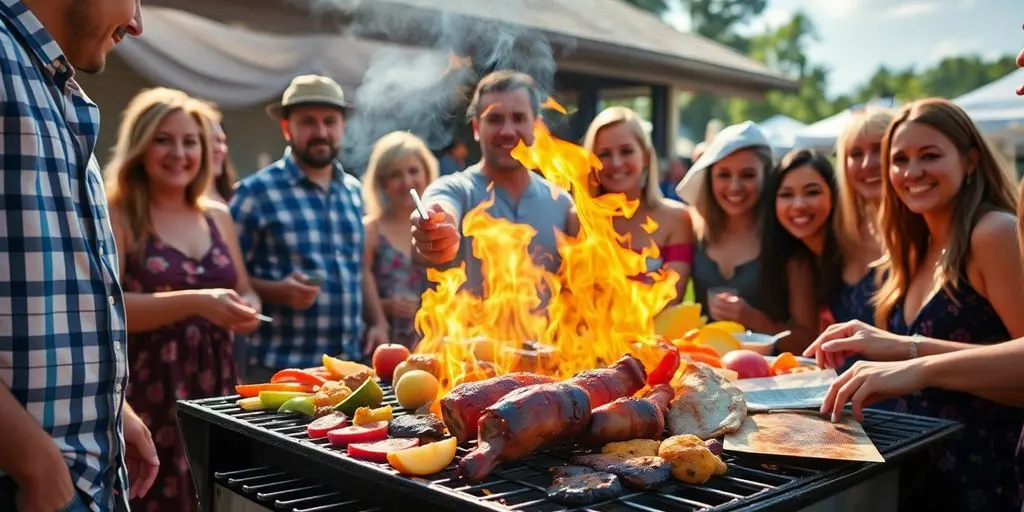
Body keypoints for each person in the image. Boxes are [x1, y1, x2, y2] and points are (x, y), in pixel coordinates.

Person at [806, 98, 1024, 512]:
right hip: (921, 475)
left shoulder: (993, 232)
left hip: (985, 476)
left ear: (971, 160)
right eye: (900, 159)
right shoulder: (915, 244)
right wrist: (892, 344)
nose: (911, 172)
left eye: (930, 156)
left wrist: (912, 358)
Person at [0, 1, 159, 511]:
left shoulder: (50, 81)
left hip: (87, 475)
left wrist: (111, 410)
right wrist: (31, 459)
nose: (137, 23)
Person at [105, 88, 262, 511]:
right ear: (140, 146)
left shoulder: (217, 215)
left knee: (214, 492)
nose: (179, 153)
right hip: (149, 392)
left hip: (217, 386)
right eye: (163, 139)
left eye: (190, 141)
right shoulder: (117, 214)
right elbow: (109, 308)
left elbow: (244, 287)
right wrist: (196, 301)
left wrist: (249, 309)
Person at [231, 75, 388, 379]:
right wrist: (278, 291)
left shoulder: (355, 192)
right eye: (307, 122)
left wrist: (378, 323)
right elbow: (228, 279)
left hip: (349, 368)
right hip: (281, 370)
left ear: (343, 127)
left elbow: (359, 269)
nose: (321, 132)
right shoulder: (254, 193)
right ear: (287, 127)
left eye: (330, 121)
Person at [412, 70, 578, 294]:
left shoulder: (561, 204)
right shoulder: (455, 190)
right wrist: (435, 232)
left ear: (536, 126)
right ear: (476, 128)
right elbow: (441, 208)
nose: (508, 131)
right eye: (494, 119)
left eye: (518, 118)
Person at [677, 122, 814, 352]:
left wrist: (752, 319)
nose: (734, 187)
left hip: (771, 380)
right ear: (710, 179)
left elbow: (808, 340)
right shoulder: (694, 232)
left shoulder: (788, 242)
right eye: (723, 174)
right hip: (705, 375)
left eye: (748, 175)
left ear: (768, 177)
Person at [582, 106, 694, 302]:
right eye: (604, 154)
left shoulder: (677, 219)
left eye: (626, 151)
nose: (616, 163)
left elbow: (670, 301)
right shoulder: (577, 220)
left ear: (646, 157)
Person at [755, 150, 840, 354]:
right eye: (786, 195)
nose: (799, 205)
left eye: (812, 192)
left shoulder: (856, 253)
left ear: (834, 194)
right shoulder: (798, 258)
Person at [362, 131, 439, 349]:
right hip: (385, 345)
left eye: (413, 171)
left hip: (434, 344)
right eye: (395, 174)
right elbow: (360, 280)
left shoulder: (438, 226)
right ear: (382, 182)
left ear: (426, 173)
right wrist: (383, 309)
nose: (407, 182)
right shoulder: (372, 228)